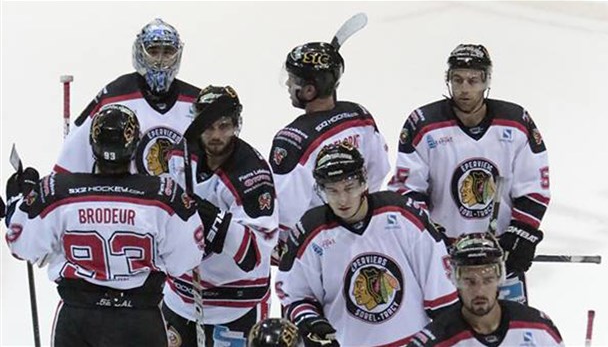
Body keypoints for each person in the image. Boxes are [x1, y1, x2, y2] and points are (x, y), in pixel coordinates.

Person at [3, 104, 206, 347]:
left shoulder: (58, 190)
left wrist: (19, 201)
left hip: (79, 320)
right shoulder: (164, 194)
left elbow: (21, 245)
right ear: (134, 146)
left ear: (93, 144)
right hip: (140, 320)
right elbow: (188, 257)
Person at [387, 44, 550, 304]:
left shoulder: (516, 122)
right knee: (446, 336)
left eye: (473, 80)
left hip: (499, 254)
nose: (464, 88)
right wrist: (430, 236)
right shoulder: (423, 124)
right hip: (442, 257)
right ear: (447, 80)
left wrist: (521, 234)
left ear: (486, 80)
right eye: (457, 79)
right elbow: (407, 191)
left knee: (506, 332)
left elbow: (534, 188)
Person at [276, 142, 458, 347]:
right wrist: (309, 319)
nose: (342, 199)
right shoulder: (310, 230)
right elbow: (293, 295)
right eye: (332, 191)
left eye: (349, 187)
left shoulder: (401, 214)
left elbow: (441, 289)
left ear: (363, 182)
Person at [163, 85, 278, 346]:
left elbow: (254, 252)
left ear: (237, 124)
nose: (216, 135)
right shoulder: (178, 157)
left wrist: (214, 220)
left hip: (237, 302)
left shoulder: (252, 176)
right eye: (209, 127)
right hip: (181, 297)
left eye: (224, 126)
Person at [269, 40, 391, 264]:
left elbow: (286, 212)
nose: (288, 84)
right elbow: (379, 170)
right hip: (364, 233)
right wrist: (355, 210)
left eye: (293, 80)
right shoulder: (359, 115)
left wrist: (282, 247)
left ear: (309, 90)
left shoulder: (293, 139)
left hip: (318, 246)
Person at [54, 18, 200, 176]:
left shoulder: (196, 103)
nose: (160, 61)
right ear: (140, 52)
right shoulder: (113, 97)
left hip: (178, 200)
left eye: (167, 52)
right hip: (125, 199)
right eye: (153, 51)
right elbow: (72, 159)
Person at [407, 232, 564, 346]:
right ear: (455, 280)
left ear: (499, 278)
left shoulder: (539, 328)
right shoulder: (434, 341)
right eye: (469, 281)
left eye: (487, 280)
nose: (479, 291)